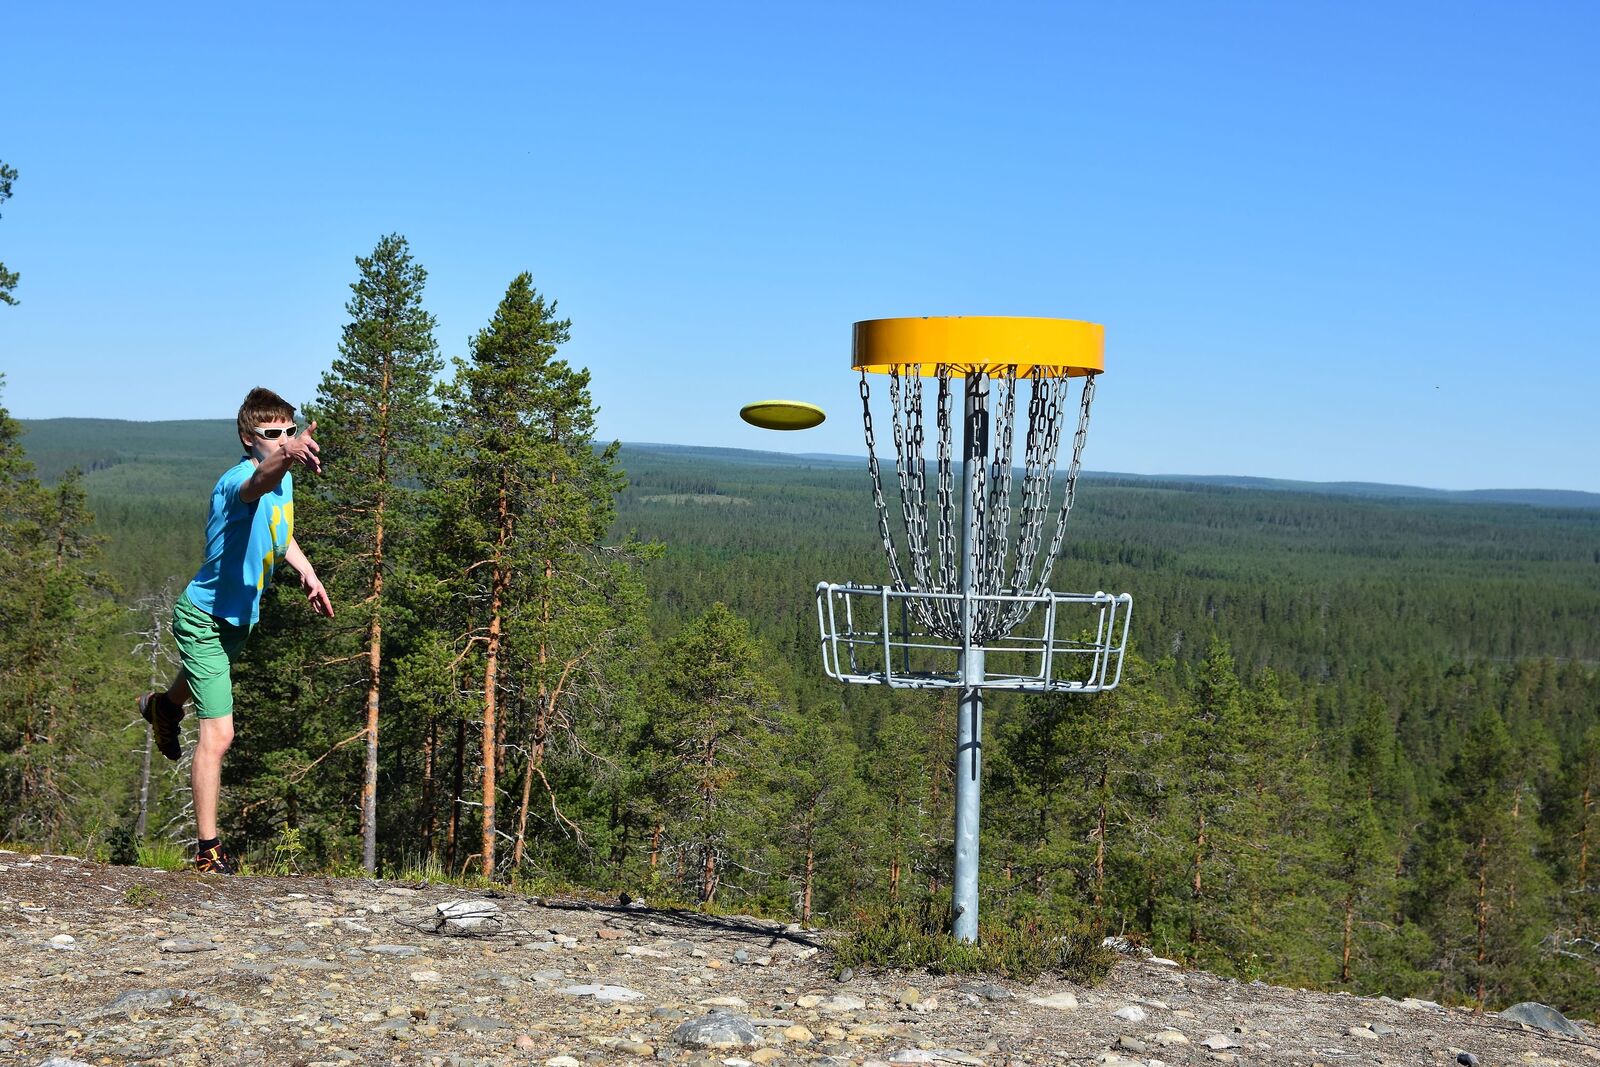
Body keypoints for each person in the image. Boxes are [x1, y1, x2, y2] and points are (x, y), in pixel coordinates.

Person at [138, 387, 333, 874]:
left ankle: (163, 706)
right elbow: (257, 486)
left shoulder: (283, 480)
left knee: (206, 679)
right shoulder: (238, 481)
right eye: (272, 434)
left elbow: (280, 531)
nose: (284, 439)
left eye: (290, 431)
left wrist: (308, 573)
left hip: (238, 619)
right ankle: (208, 852)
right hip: (203, 618)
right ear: (248, 439)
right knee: (219, 734)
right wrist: (287, 454)